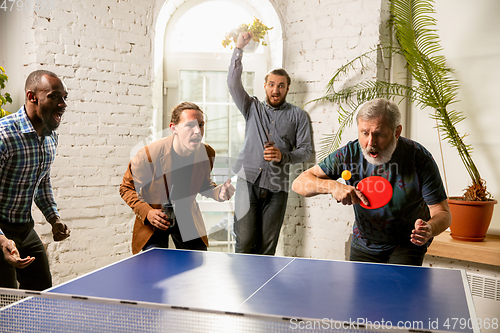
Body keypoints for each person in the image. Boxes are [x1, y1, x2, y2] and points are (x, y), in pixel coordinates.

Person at [292, 98, 451, 266]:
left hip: (407, 244)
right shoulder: (349, 154)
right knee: (363, 293)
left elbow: (443, 213)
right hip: (364, 243)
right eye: (364, 133)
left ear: (397, 132)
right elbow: (299, 183)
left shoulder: (419, 158)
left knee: (398, 292)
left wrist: (430, 229)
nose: (370, 143)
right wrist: (333, 186)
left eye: (379, 134)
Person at [228, 32, 312, 255]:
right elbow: (232, 82)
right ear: (265, 85)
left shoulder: (298, 116)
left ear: (287, 89)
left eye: (281, 86)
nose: (276, 90)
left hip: (277, 187)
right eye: (272, 84)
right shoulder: (251, 107)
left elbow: (305, 151)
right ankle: (243, 290)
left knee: (267, 248)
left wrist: (283, 156)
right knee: (244, 242)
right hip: (248, 182)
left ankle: (261, 289)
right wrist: (239, 48)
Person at [120, 102, 235, 254]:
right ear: (173, 128)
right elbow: (126, 188)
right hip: (157, 218)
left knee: (198, 265)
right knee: (155, 269)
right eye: (190, 125)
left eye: (201, 125)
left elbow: (204, 185)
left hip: (186, 216)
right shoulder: (148, 155)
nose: (197, 131)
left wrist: (218, 192)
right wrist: (147, 212)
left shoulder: (207, 153)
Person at [0, 70, 71, 290]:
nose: (63, 104)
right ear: (32, 97)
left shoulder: (51, 137)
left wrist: (53, 218)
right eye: (54, 96)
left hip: (24, 228)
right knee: (6, 298)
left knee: (41, 290)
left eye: (64, 98)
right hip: (1, 231)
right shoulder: (4, 135)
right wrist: (2, 240)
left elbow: (41, 181)